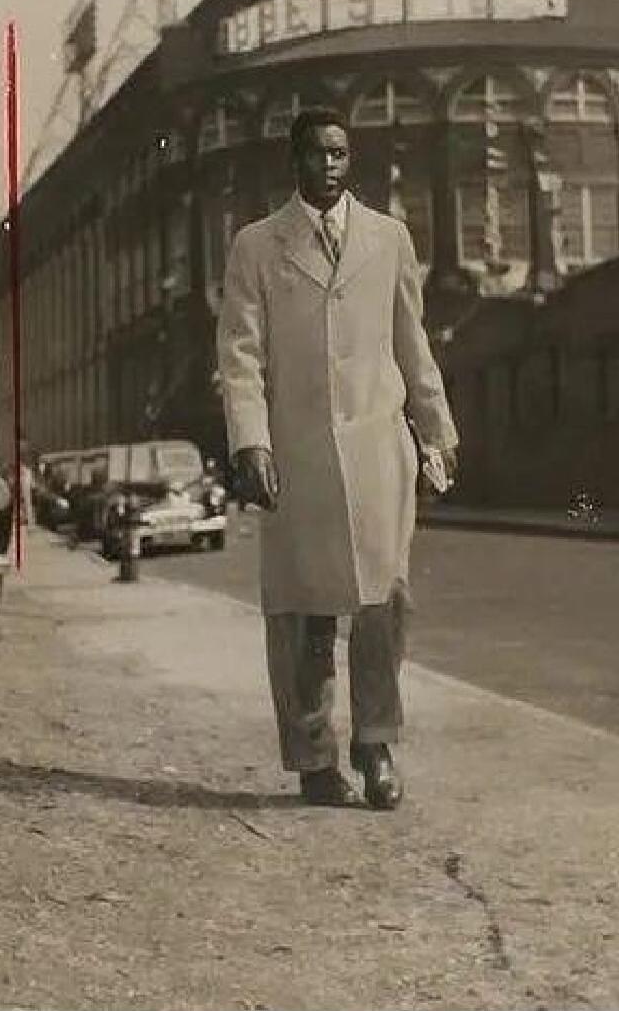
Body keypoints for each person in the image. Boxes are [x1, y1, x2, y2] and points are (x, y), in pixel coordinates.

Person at [216, 106, 459, 810]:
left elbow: (412, 343)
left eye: (340, 153)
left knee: (385, 604)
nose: (330, 165)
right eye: (318, 153)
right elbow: (239, 355)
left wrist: (437, 430)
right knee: (302, 613)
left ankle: (375, 742)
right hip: (298, 457)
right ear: (294, 161)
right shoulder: (256, 247)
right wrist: (251, 441)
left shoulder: (388, 239)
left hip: (381, 451)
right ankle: (315, 756)